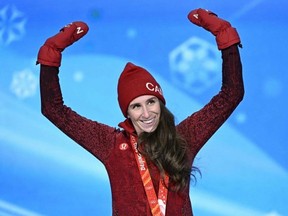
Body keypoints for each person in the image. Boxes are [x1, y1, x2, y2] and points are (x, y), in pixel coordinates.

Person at [37, 8, 244, 216]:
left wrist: (225, 35)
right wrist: (51, 53)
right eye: (136, 106)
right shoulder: (111, 144)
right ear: (127, 112)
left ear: (161, 103)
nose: (146, 113)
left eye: (151, 102)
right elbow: (54, 110)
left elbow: (231, 94)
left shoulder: (185, 137)